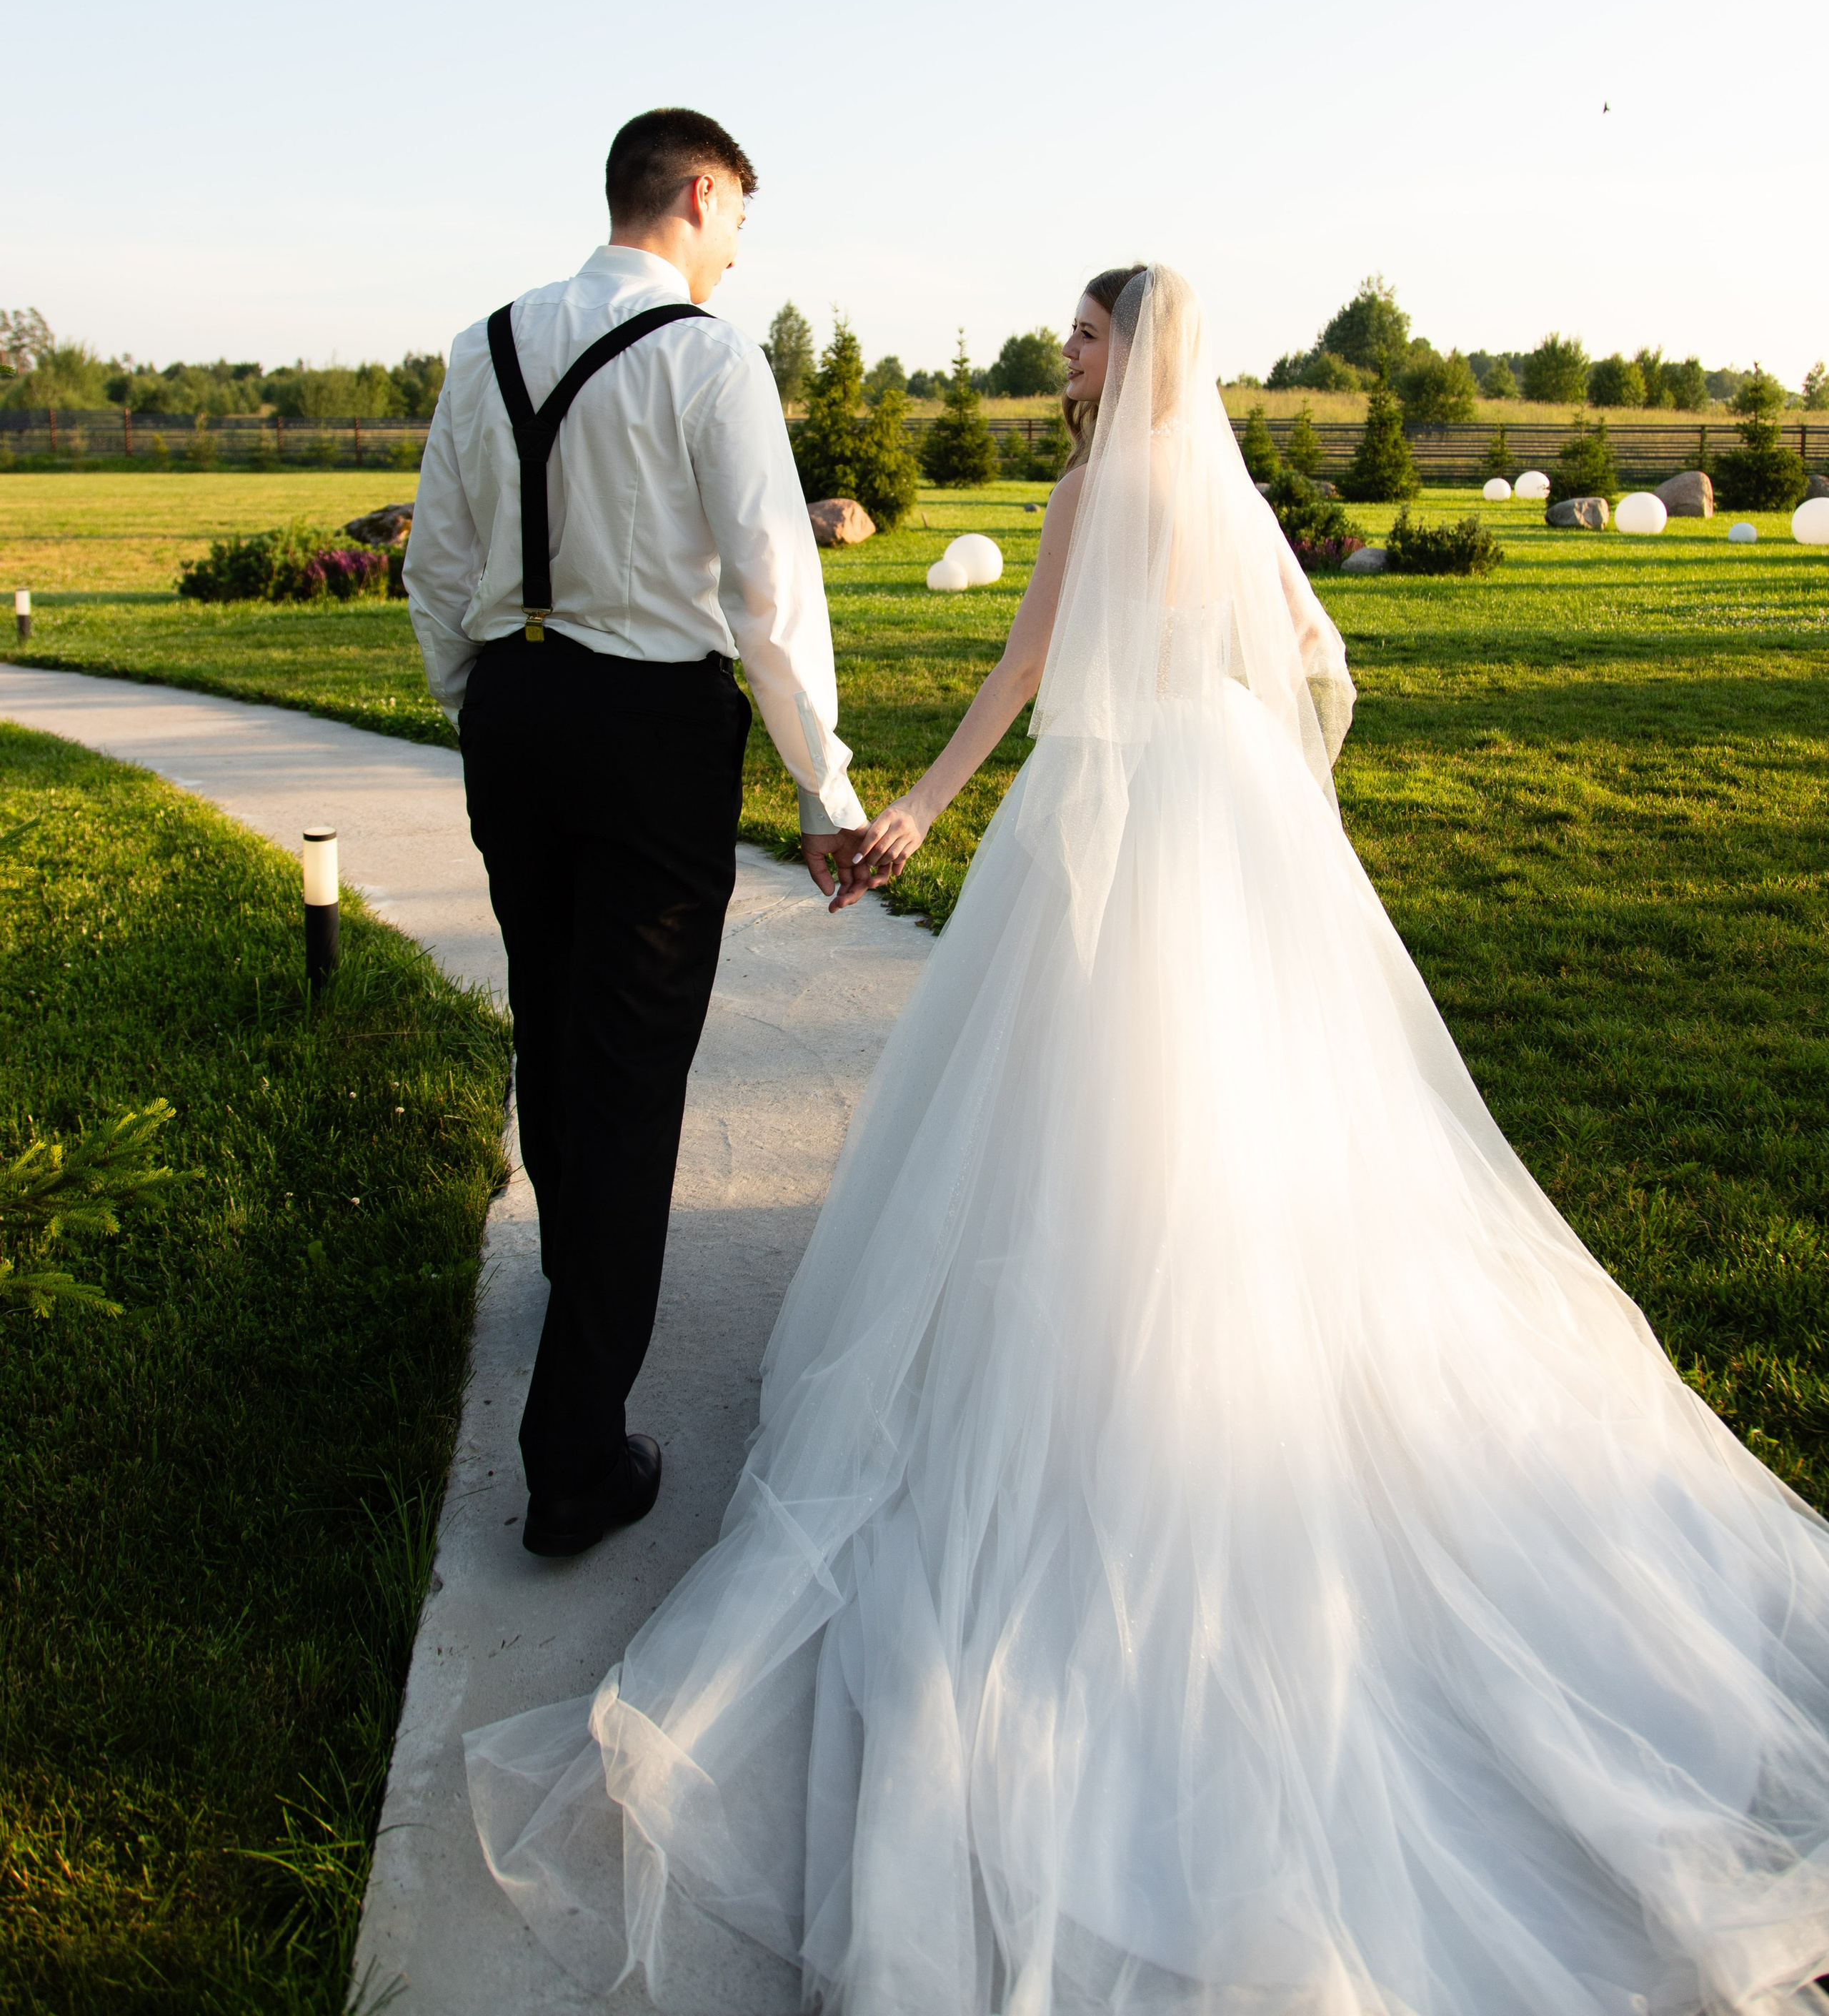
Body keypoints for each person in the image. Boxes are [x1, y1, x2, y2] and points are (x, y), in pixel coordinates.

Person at [468, 265, 1829, 2014]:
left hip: (1110, 812)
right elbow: (1314, 666)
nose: (1067, 354)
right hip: (1233, 817)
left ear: (1140, 347)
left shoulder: (1095, 488)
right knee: (1241, 1119)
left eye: (1087, 333)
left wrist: (915, 810)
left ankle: (1107, 1384)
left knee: (1081, 1120)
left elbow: (1023, 676)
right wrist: (1267, 808)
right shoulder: (1221, 487)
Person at [405, 108, 866, 1561]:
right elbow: (769, 593)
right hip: (650, 729)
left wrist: (486, 692)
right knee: (633, 1058)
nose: (736, 255)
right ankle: (574, 1461)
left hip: (515, 712)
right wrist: (824, 789)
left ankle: (574, 1280)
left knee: (553, 1016)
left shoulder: (483, 345)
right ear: (699, 190)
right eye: (738, 224)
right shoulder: (709, 357)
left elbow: (436, 568)